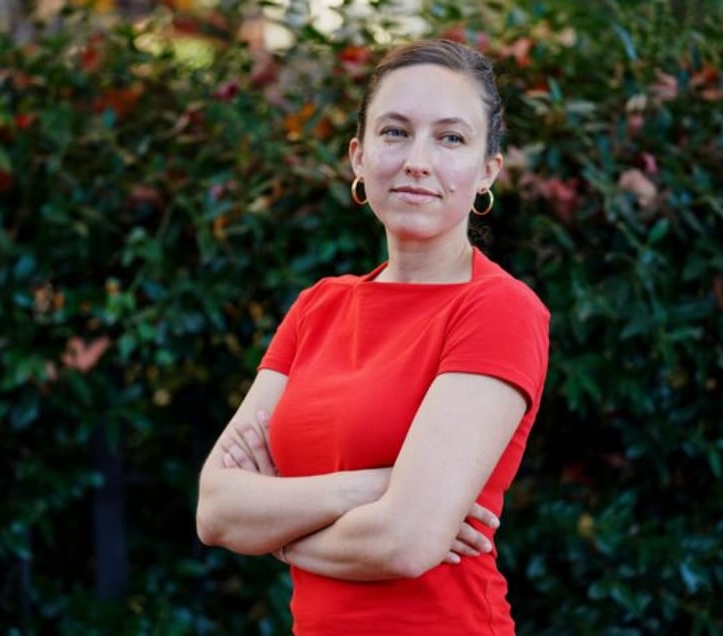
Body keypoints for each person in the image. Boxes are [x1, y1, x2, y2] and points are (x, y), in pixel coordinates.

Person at [196, 38, 550, 635]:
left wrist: (276, 534)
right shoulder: (318, 307)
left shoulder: (497, 309)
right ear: (359, 157)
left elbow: (404, 543)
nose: (417, 160)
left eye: (450, 138)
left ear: (488, 170)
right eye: (395, 132)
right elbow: (216, 510)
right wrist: (374, 488)